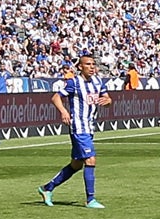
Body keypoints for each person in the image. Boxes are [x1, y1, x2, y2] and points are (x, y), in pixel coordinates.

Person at [39, 54, 111, 209]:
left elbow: (107, 98)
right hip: (78, 127)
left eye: (93, 64)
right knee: (90, 160)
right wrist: (64, 112)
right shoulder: (74, 83)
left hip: (89, 126)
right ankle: (90, 199)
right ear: (80, 67)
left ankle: (47, 188)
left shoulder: (98, 82)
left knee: (77, 164)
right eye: (88, 64)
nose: (92, 67)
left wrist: (108, 101)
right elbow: (56, 98)